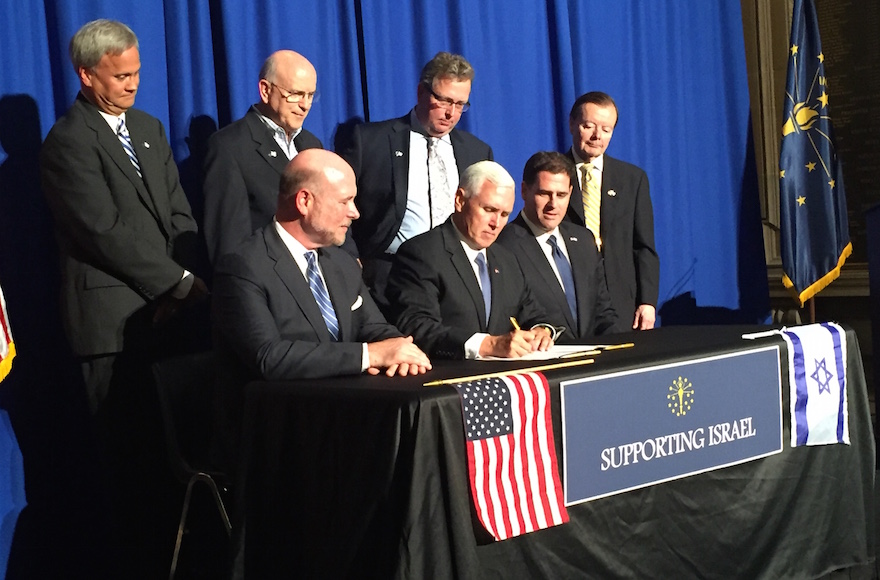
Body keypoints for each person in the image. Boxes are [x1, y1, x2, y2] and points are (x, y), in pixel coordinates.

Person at [39, 19, 207, 576]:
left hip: (169, 318)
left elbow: (178, 212)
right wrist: (176, 284)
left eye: (137, 72)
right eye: (120, 76)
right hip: (112, 326)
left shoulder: (150, 128)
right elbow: (104, 231)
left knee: (175, 457)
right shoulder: (67, 143)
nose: (133, 84)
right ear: (87, 76)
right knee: (128, 464)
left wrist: (183, 280)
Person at [212, 149, 431, 380]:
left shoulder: (342, 263)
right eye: (344, 201)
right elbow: (269, 357)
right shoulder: (244, 267)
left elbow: (373, 327)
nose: (355, 213)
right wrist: (369, 355)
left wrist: (400, 351)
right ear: (304, 201)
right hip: (280, 409)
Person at [337, 51, 493, 305]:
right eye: (444, 101)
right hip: (389, 275)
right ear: (421, 92)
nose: (451, 113)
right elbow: (339, 203)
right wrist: (349, 258)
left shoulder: (477, 152)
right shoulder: (370, 141)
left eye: (460, 104)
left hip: (456, 278)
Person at [385, 161, 556, 359]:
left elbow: (533, 313)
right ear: (459, 200)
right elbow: (417, 326)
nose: (496, 223)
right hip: (447, 378)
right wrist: (486, 345)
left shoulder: (506, 259)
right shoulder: (422, 253)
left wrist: (542, 331)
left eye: (505, 214)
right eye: (489, 210)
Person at [203, 50, 322, 264]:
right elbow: (228, 242)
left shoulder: (312, 145)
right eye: (295, 94)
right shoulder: (230, 146)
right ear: (265, 90)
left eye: (310, 95)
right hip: (269, 280)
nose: (305, 105)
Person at [497, 152, 623, 341]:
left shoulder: (583, 240)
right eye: (544, 194)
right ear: (524, 191)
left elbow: (603, 311)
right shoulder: (504, 246)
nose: (553, 204)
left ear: (571, 193)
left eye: (561, 195)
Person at [565, 91, 659, 330]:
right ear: (572, 124)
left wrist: (647, 301)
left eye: (606, 129)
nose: (597, 136)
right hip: (569, 300)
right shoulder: (552, 174)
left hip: (621, 304)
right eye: (589, 126)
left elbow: (644, 246)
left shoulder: (632, 179)